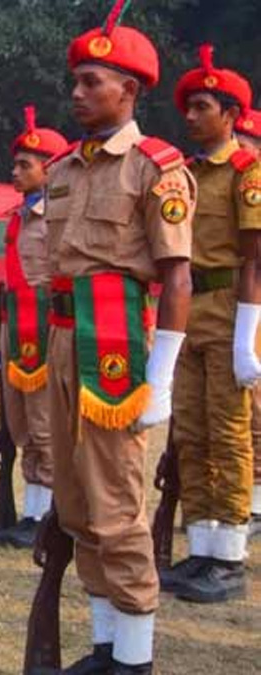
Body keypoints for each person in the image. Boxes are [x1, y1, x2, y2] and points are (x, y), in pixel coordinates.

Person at [40, 13, 194, 671]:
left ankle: (135, 657)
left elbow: (177, 276)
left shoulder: (156, 168)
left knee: (117, 506)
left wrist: (159, 376)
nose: (76, 92)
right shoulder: (64, 168)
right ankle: (106, 642)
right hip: (63, 339)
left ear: (128, 90)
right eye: (75, 80)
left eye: (91, 81)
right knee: (75, 503)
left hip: (116, 349)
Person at [165, 45, 258, 604]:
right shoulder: (188, 174)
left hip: (228, 310)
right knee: (191, 432)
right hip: (190, 308)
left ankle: (230, 556)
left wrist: (247, 338)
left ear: (230, 114)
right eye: (190, 107)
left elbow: (254, 260)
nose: (192, 116)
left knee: (229, 433)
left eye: (203, 107)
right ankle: (201, 546)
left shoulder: (248, 173)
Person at [0, 106, 70, 549]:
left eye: (26, 165)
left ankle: (47, 514)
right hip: (15, 322)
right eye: (16, 163)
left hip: (43, 325)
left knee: (43, 425)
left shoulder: (56, 215)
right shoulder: (20, 214)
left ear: (49, 170)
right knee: (20, 423)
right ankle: (32, 509)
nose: (15, 171)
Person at [233, 109, 261, 538]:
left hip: (253, 304)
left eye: (245, 138)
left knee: (255, 410)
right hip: (231, 302)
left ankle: (255, 503)